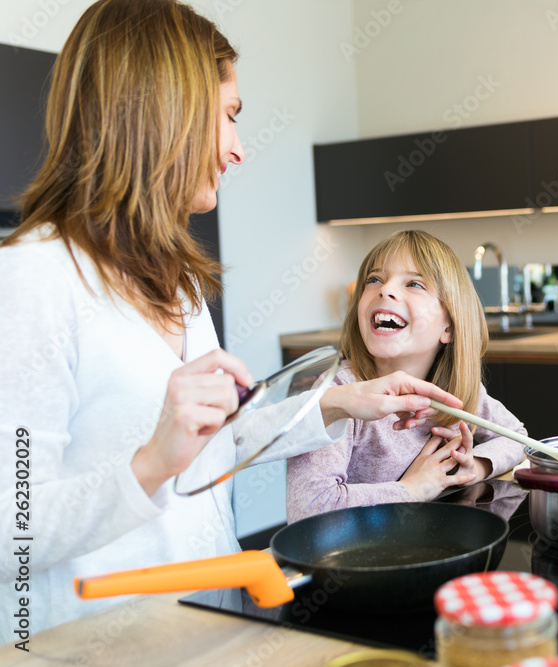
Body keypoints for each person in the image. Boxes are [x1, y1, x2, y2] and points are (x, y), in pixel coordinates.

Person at [0, 0, 461, 640]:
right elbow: (11, 531)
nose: (239, 150)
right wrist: (150, 466)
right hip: (93, 641)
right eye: (228, 117)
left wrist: (343, 403)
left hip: (204, 623)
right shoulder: (33, 280)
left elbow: (215, 444)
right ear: (163, 112)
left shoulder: (176, 281)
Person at [286, 231, 526, 519]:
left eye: (414, 283)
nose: (385, 290)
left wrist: (475, 465)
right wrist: (410, 490)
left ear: (448, 327)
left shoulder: (453, 389)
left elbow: (518, 438)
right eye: (374, 279)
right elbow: (308, 510)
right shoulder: (341, 391)